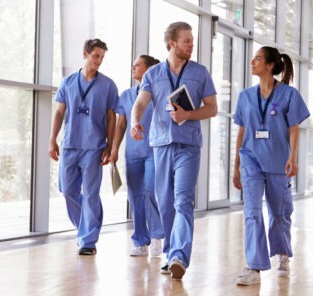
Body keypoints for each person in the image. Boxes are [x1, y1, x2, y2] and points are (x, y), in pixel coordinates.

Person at [129, 21, 218, 280]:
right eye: (187, 41)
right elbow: (140, 103)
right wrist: (135, 122)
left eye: (191, 40)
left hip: (188, 145)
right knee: (165, 202)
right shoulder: (153, 74)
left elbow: (211, 107)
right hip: (160, 145)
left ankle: (179, 254)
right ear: (172, 44)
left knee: (183, 200)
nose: (192, 45)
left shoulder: (200, 73)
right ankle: (170, 253)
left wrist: (188, 114)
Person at [231, 46, 309, 286]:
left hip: (277, 160)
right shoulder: (245, 96)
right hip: (251, 160)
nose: (252, 62)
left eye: (257, 59)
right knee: (252, 212)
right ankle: (254, 266)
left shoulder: (289, 95)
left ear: (270, 65)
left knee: (279, 212)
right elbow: (242, 132)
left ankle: (283, 253)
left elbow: (294, 129)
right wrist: (236, 166)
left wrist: (293, 157)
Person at [49, 38, 119, 256]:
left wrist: (110, 145)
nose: (99, 61)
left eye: (102, 57)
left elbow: (111, 118)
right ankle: (86, 228)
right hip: (70, 144)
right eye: (96, 56)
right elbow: (59, 112)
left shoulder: (108, 85)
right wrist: (52, 138)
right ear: (85, 54)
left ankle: (88, 240)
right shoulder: (68, 82)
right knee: (67, 190)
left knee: (90, 194)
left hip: (94, 147)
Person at [111, 55, 166, 257]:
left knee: (151, 191)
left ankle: (157, 236)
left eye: (138, 65)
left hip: (154, 150)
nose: (133, 67)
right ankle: (141, 240)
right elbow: (121, 125)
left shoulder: (158, 93)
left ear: (150, 69)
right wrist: (114, 149)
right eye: (133, 64)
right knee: (135, 195)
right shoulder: (126, 95)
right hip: (132, 153)